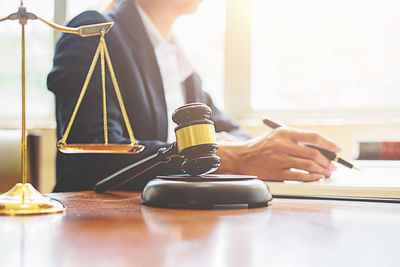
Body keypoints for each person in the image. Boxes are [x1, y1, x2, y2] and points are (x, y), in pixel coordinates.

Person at [47, 0, 340, 192]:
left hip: (165, 225)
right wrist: (231, 157)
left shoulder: (177, 59)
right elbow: (94, 155)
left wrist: (266, 150)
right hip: (97, 233)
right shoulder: (93, 32)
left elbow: (229, 131)